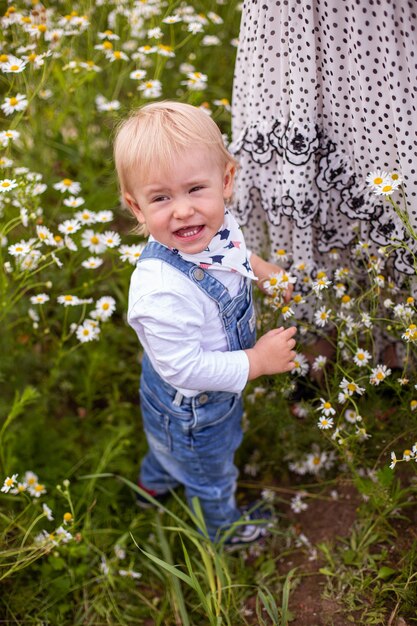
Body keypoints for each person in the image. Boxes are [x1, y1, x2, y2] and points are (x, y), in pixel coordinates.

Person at [113, 101, 297, 546]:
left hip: (193, 397)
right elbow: (184, 368)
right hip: (193, 404)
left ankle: (154, 484)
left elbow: (232, 254)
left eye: (195, 189)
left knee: (170, 449)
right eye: (160, 198)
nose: (183, 211)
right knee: (210, 469)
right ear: (135, 207)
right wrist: (255, 361)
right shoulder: (160, 291)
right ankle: (223, 530)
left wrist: (260, 268)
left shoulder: (217, 225)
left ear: (226, 181)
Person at [231, 0, 417, 370]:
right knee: (299, 157)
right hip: (288, 17)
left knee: (386, 150)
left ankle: (399, 328)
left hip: (373, 19)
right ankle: (319, 326)